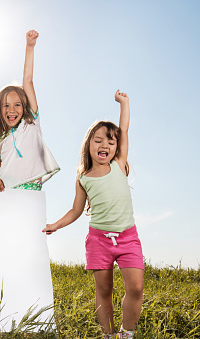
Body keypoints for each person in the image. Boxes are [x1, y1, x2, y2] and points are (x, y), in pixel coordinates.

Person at [42, 91, 143, 339]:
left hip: (128, 237)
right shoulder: (83, 177)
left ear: (116, 148)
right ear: (89, 144)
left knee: (136, 288)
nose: (105, 145)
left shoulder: (119, 165)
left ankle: (126, 333)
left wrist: (124, 103)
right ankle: (108, 335)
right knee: (104, 290)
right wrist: (56, 224)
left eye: (110, 141)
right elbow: (76, 210)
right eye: (98, 140)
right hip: (99, 240)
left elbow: (125, 130)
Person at [0, 30, 59, 192]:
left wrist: (30, 47)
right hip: (7, 192)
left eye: (17, 105)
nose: (11, 110)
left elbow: (28, 81)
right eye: (6, 105)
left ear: (25, 107)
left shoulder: (31, 124)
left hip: (31, 189)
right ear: (0, 110)